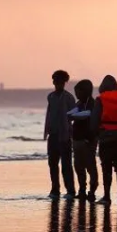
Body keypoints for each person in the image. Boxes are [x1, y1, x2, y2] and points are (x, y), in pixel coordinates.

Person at [91, 75, 117, 206]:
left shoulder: (100, 99)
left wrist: (97, 134)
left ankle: (107, 196)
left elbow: (95, 120)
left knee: (106, 168)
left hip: (105, 136)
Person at [45, 70, 77, 199]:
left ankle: (70, 191)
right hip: (52, 135)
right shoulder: (50, 97)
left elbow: (74, 114)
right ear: (53, 81)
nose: (58, 84)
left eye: (61, 82)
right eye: (56, 81)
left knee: (66, 165)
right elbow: (49, 114)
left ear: (65, 83)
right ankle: (55, 190)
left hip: (65, 135)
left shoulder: (69, 97)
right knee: (52, 163)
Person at [70, 79, 97, 201]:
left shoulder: (93, 104)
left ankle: (92, 190)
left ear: (86, 91)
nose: (77, 95)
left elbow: (88, 114)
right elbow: (73, 112)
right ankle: (82, 189)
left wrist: (72, 116)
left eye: (78, 92)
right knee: (78, 166)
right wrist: (68, 115)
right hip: (77, 140)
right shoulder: (79, 104)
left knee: (90, 166)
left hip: (88, 140)